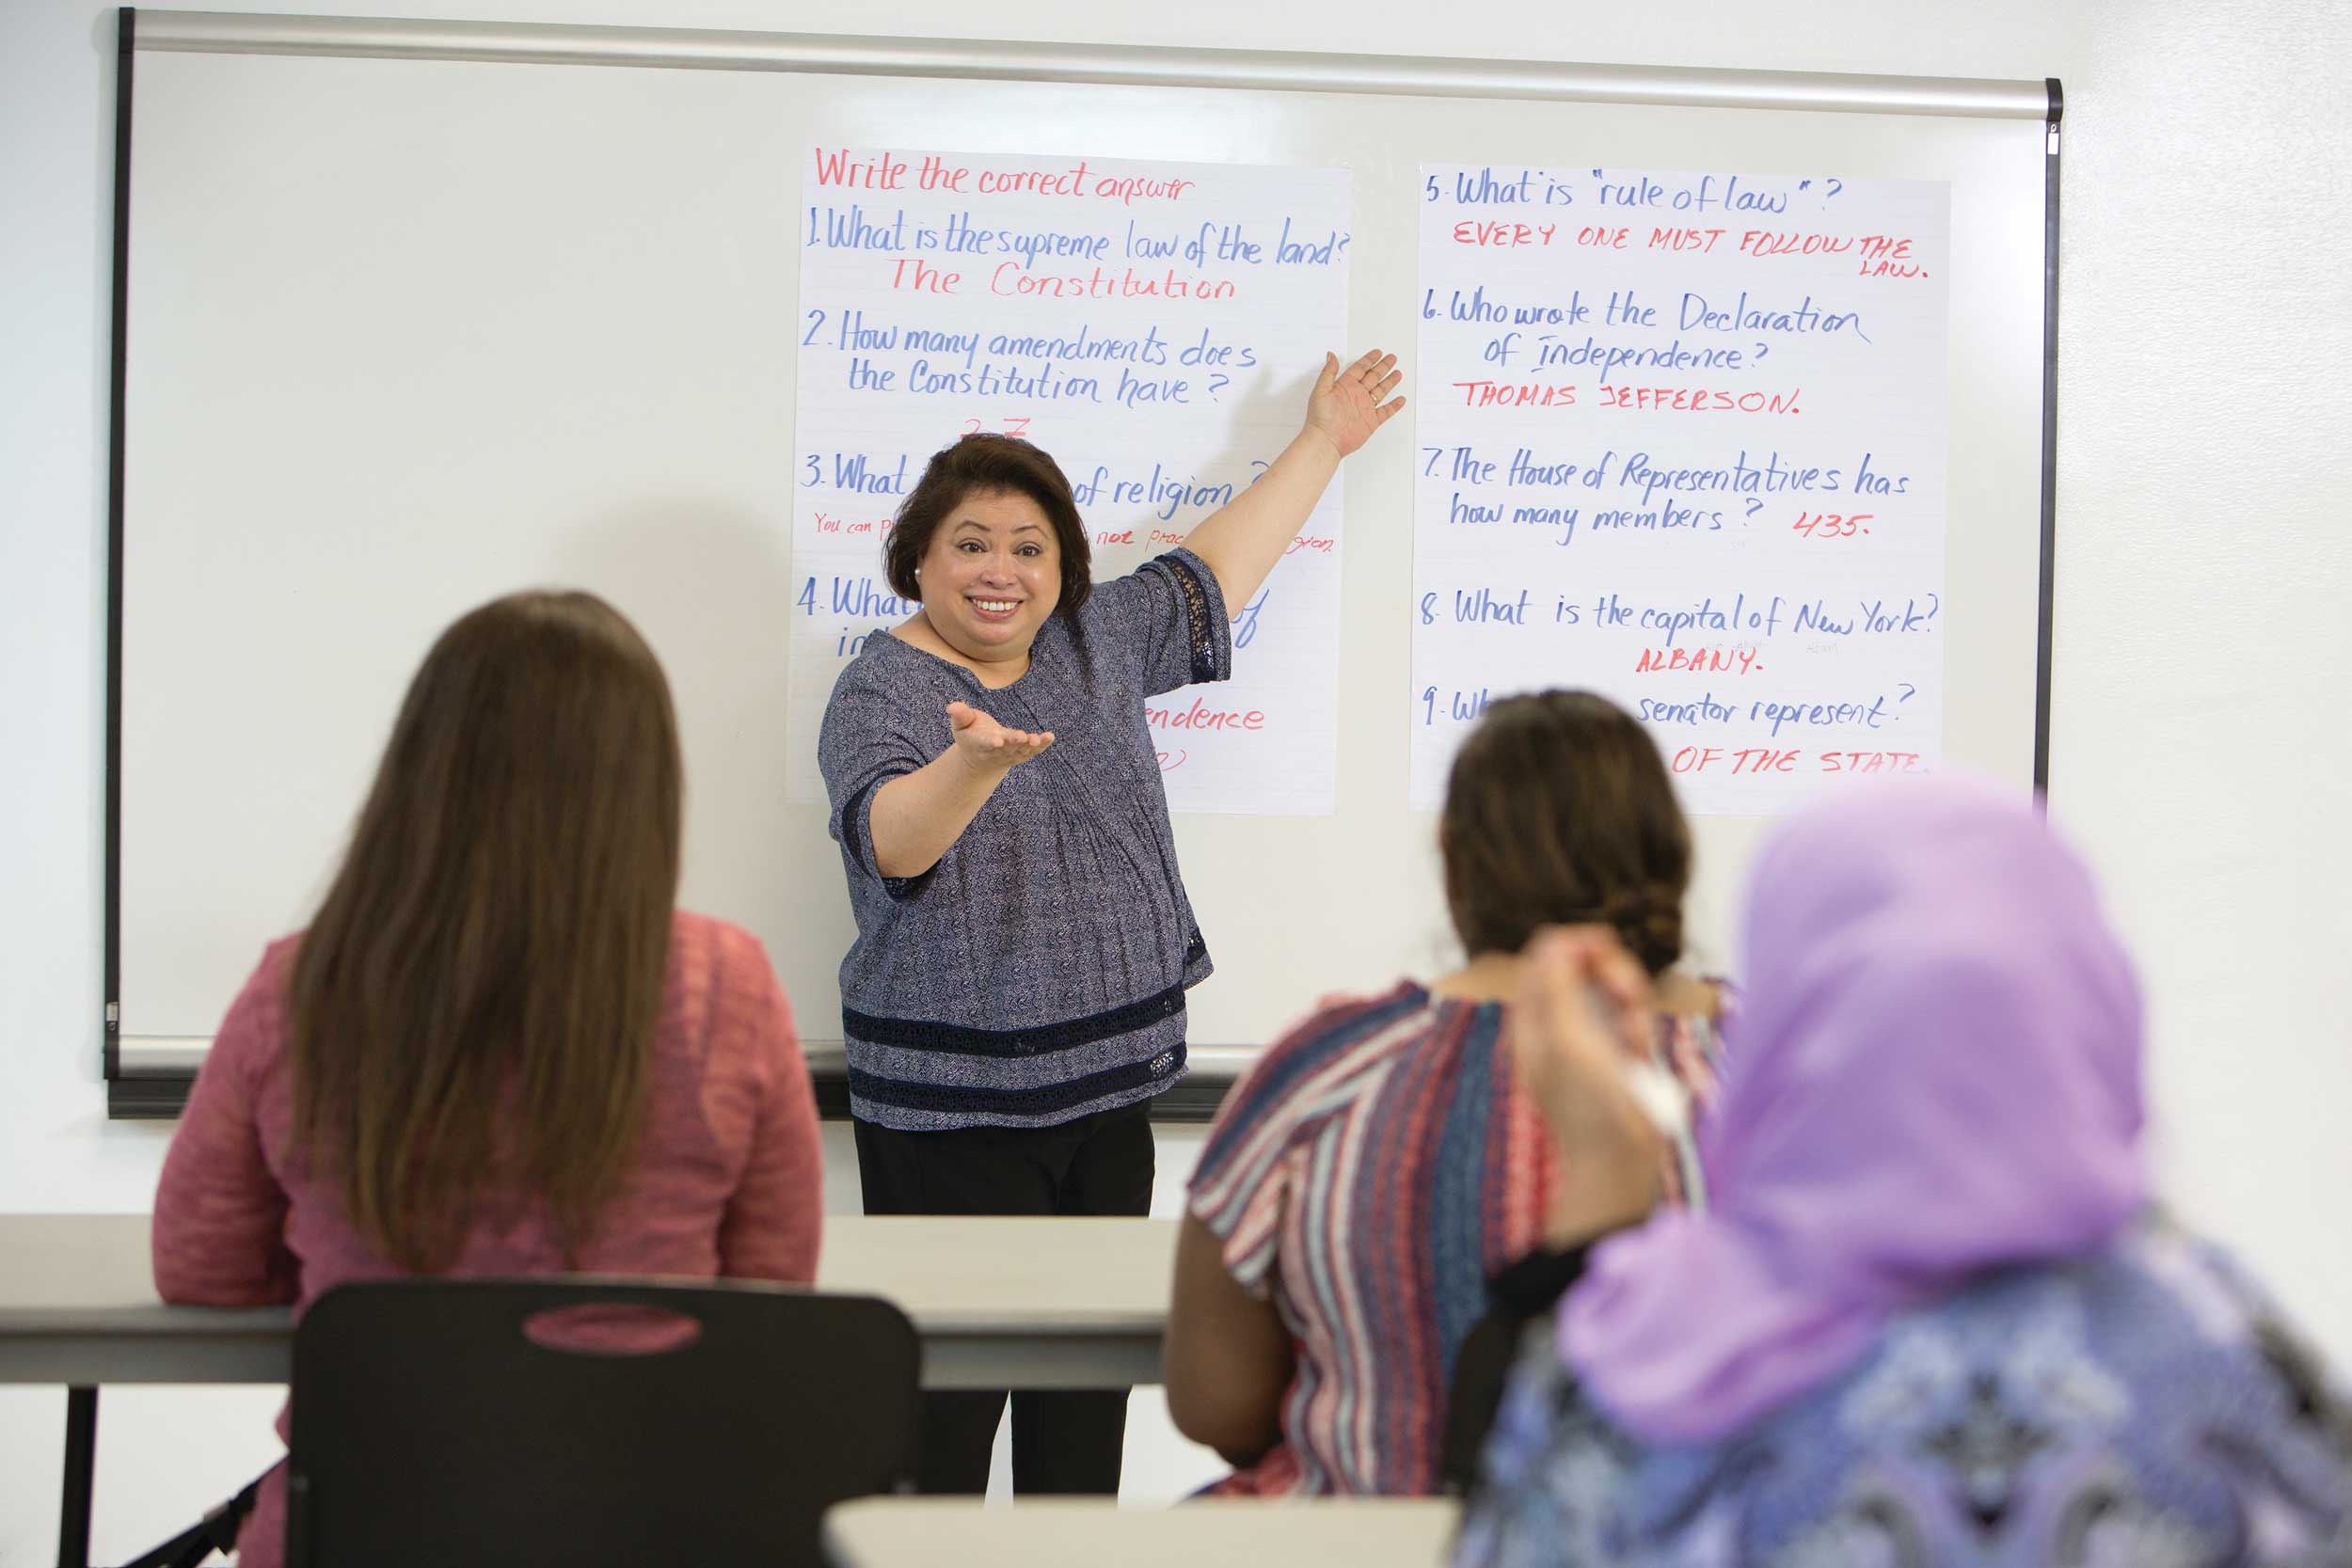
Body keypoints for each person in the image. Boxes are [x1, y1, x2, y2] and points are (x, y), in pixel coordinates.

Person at [1456, 778, 2352, 1568]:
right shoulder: (2232, 1358)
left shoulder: (1631, 1379)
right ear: (2092, 1004)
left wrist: (1607, 1168)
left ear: (1784, 1024)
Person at [818, 349, 1403, 1496]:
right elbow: (889, 838)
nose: (1001, 571)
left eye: (1029, 548)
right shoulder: (879, 689)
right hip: (954, 1124)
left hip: (1108, 1096)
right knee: (944, 1430)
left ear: (1063, 568)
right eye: (971, 544)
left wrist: (1324, 439)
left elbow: (1220, 562)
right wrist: (969, 766)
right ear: (918, 561)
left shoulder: (1094, 639)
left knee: (1082, 1421)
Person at [152, 591, 823, 1568]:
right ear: (643, 786)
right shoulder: (728, 985)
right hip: (645, 1530)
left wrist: (348, 1260)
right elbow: (770, 1289)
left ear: (421, 771)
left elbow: (201, 1264)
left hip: (362, 1527)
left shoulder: (305, 984)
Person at [1165, 690, 1724, 1497]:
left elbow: (1218, 1405)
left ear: (1456, 860)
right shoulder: (1766, 1073)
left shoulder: (1327, 1067)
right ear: (1671, 855)